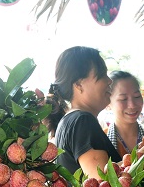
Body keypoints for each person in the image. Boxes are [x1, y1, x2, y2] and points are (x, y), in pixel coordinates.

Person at [46, 46, 120, 178]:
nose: (109, 81)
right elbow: (103, 185)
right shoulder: (82, 121)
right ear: (79, 85)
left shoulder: (70, 120)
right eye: (102, 74)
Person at [106, 71, 144, 158]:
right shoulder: (101, 141)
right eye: (123, 99)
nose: (132, 105)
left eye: (136, 96)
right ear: (108, 103)